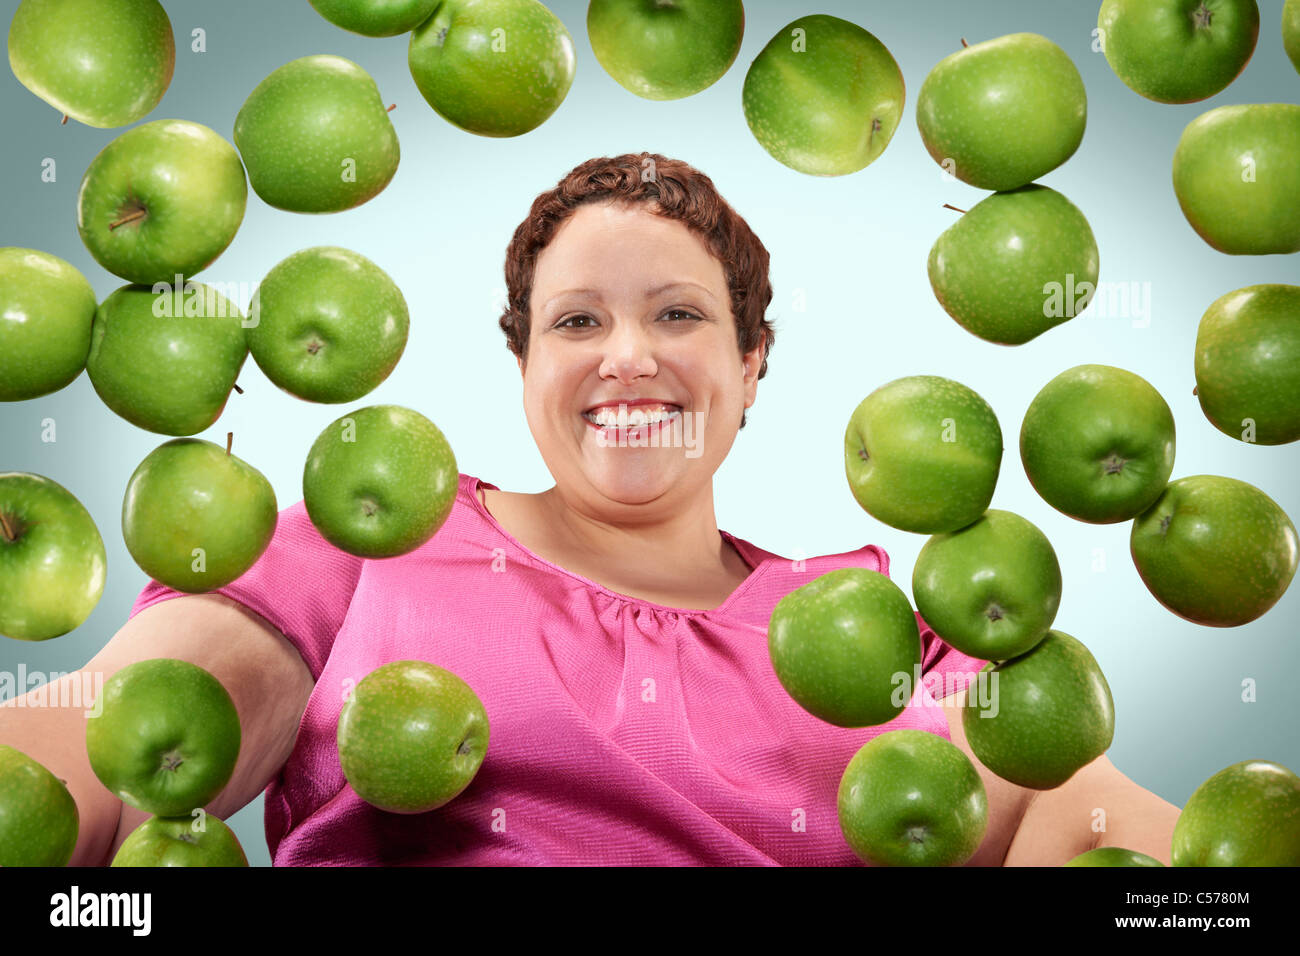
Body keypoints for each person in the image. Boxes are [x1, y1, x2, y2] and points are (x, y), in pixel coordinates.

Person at [1, 153, 1179, 866]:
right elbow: (85, 768)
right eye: (575, 321)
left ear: (752, 359)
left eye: (677, 316)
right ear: (522, 364)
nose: (626, 356)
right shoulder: (369, 542)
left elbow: (1118, 846)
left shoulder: (889, 627)